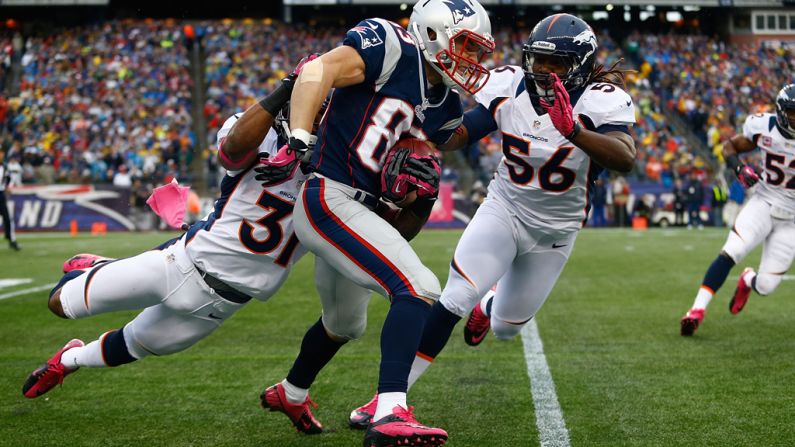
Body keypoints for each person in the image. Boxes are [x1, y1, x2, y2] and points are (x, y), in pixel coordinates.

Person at [348, 12, 637, 427]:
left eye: (556, 64)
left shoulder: (601, 98)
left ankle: (490, 304)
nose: (544, 71)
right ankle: (388, 399)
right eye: (538, 60)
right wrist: (426, 128)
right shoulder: (509, 86)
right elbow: (459, 135)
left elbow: (625, 158)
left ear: (581, 67)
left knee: (505, 328)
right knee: (452, 297)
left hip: (554, 234)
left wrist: (571, 130)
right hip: (504, 209)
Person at [20, 57, 341, 400]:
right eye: (308, 99)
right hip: (182, 266)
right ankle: (101, 267)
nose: (315, 115)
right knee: (60, 303)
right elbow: (231, 154)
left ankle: (67, 360)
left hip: (227, 302)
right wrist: (284, 91)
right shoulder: (259, 133)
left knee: (131, 347)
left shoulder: (336, 167)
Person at [259, 1, 495, 446]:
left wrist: (420, 198)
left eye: (479, 52)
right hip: (328, 194)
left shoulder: (443, 103)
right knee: (419, 287)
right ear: (432, 32)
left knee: (345, 323)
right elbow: (317, 70)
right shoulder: (392, 46)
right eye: (466, 45)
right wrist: (300, 136)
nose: (473, 60)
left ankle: (291, 392)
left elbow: (402, 231)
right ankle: (390, 412)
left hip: (363, 211)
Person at [680, 84, 795, 336]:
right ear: (781, 112)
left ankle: (747, 280)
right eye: (793, 113)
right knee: (731, 251)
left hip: (792, 220)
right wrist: (739, 168)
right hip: (763, 202)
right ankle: (696, 310)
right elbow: (729, 148)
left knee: (765, 286)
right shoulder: (763, 126)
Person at [0, 150, 20, 251]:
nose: (1, 155)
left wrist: (7, 187)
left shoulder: (4, 166)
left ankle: (12, 240)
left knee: (8, 218)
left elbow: (7, 179)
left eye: (2, 152)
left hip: (1, 195)